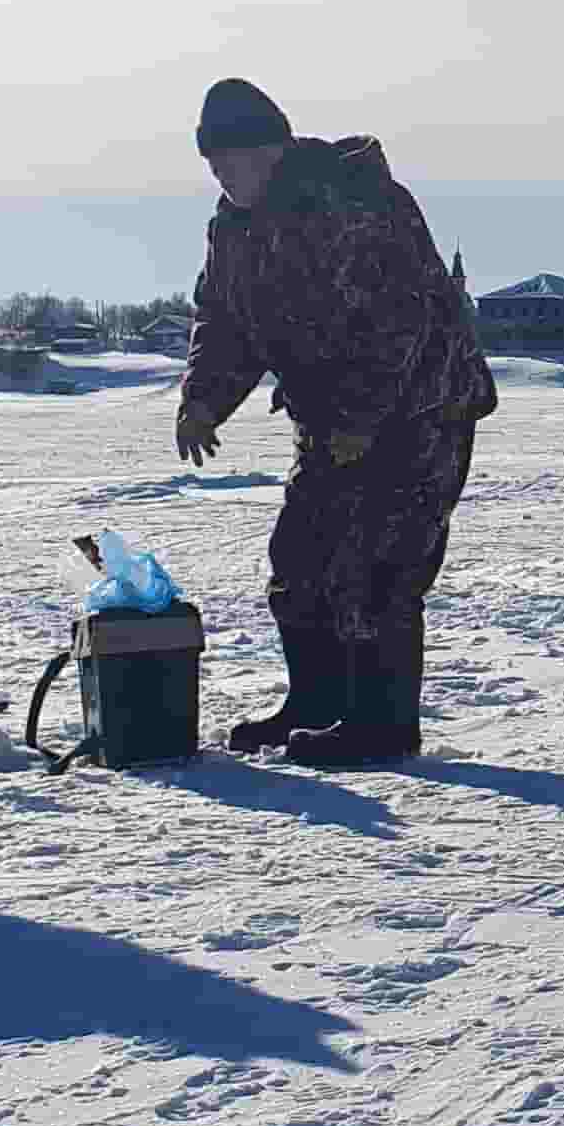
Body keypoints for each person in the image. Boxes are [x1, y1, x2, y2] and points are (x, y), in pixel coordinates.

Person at [176, 78, 493, 764]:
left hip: (420, 407)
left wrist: (362, 417)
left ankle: (382, 727)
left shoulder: (354, 202)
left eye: (234, 160)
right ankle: (316, 702)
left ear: (276, 149)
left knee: (382, 563)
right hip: (331, 416)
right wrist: (203, 399)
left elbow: (398, 322)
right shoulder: (235, 228)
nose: (223, 176)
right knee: (301, 555)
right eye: (213, 164)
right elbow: (226, 321)